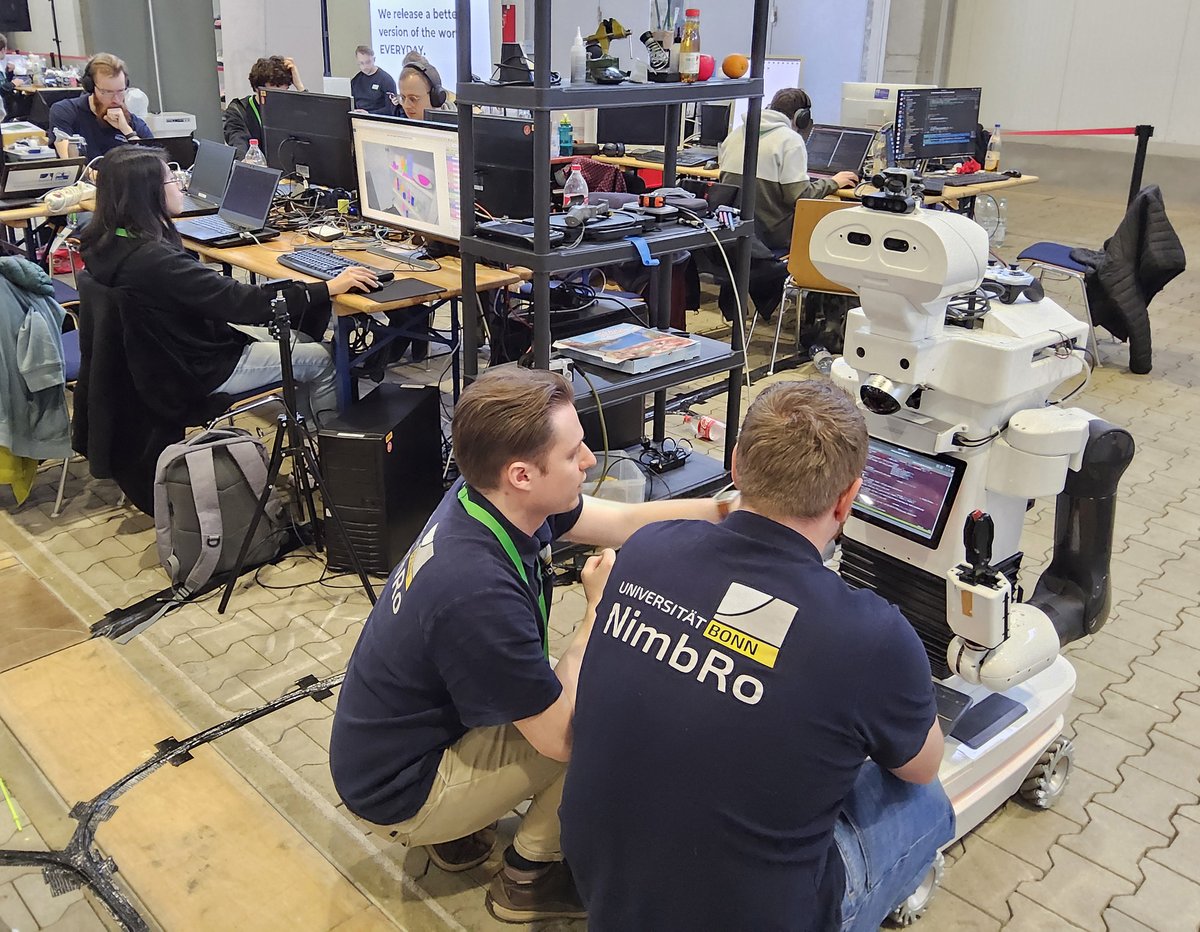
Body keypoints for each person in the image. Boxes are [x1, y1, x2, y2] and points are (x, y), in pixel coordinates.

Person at [329, 367, 738, 924]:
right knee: (616, 718)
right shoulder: (476, 590)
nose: (591, 461)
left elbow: (623, 520)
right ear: (522, 474)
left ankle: (462, 832)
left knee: (569, 683)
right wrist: (600, 609)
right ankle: (529, 876)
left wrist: (725, 514)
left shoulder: (485, 497)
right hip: (400, 790)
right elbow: (561, 739)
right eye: (574, 455)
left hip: (394, 741)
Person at [561, 380, 955, 932]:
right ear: (847, 498)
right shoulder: (871, 636)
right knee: (925, 796)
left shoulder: (649, 549)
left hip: (600, 874)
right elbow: (921, 764)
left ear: (737, 467)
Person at [78, 146, 376, 430]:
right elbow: (245, 304)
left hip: (170, 357)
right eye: (171, 179)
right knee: (324, 360)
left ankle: (304, 429)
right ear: (148, 194)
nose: (180, 187)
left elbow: (223, 297)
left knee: (298, 335)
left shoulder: (104, 242)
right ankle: (329, 457)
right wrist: (328, 287)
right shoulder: (156, 262)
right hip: (199, 369)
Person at [718, 87, 859, 253]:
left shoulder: (736, 134)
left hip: (734, 233)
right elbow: (800, 196)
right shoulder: (790, 140)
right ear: (801, 118)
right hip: (772, 238)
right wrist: (834, 182)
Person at [49, 53, 154, 158]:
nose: (116, 100)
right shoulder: (66, 111)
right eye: (107, 92)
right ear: (91, 87)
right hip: (90, 174)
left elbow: (156, 164)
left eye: (120, 91)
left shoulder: (134, 123)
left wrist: (127, 131)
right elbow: (71, 164)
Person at [223, 55, 305, 158]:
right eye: (274, 92)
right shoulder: (238, 111)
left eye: (285, 91)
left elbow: (315, 128)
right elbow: (238, 143)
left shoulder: (289, 109)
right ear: (258, 88)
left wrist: (300, 87)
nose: (279, 99)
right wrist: (244, 159)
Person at [391, 52, 450, 120]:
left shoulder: (457, 128)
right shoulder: (401, 124)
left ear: (435, 98)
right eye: (403, 98)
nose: (406, 106)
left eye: (413, 99)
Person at [350, 45, 396, 115]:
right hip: (358, 118)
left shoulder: (386, 80)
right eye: (361, 63)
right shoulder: (355, 81)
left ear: (374, 60)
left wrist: (369, 114)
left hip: (378, 120)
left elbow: (391, 110)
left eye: (368, 62)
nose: (365, 67)